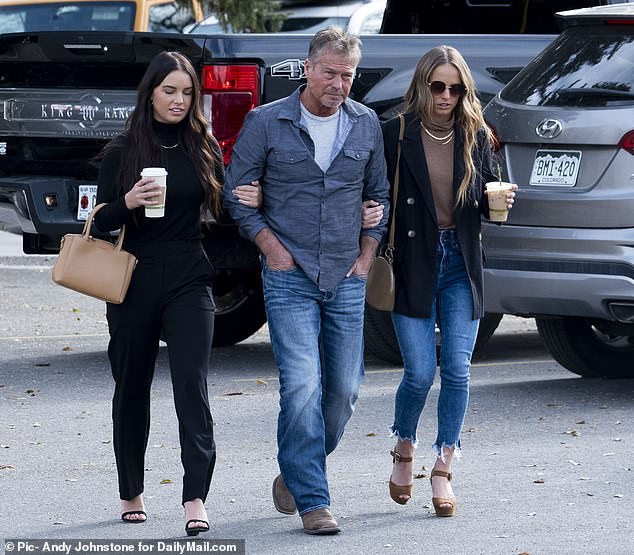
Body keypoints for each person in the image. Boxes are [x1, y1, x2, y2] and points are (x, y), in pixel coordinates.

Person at [222, 26, 389, 535]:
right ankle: (315, 500)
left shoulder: (366, 126)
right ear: (308, 68)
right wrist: (272, 250)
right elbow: (236, 193)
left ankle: (295, 474)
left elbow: (378, 196)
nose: (339, 83)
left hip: (346, 274)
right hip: (288, 274)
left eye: (348, 75)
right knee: (301, 385)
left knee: (344, 390)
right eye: (330, 72)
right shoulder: (266, 122)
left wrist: (366, 257)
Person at [373, 45, 516, 517]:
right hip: (413, 260)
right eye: (438, 86)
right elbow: (374, 192)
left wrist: (501, 201)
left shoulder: (477, 135)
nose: (447, 96)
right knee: (419, 372)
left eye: (456, 88)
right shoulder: (395, 132)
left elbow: (487, 199)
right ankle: (404, 447)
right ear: (422, 85)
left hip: (460, 261)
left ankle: (444, 466)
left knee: (457, 369)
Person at [93, 50, 226, 536]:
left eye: (187, 92)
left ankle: (195, 497)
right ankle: (132, 490)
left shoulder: (202, 145)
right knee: (132, 386)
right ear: (150, 92)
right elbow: (97, 223)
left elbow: (223, 207)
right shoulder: (123, 150)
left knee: (192, 385)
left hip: (190, 272)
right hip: (135, 276)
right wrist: (126, 201)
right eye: (169, 90)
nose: (178, 100)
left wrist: (250, 196)